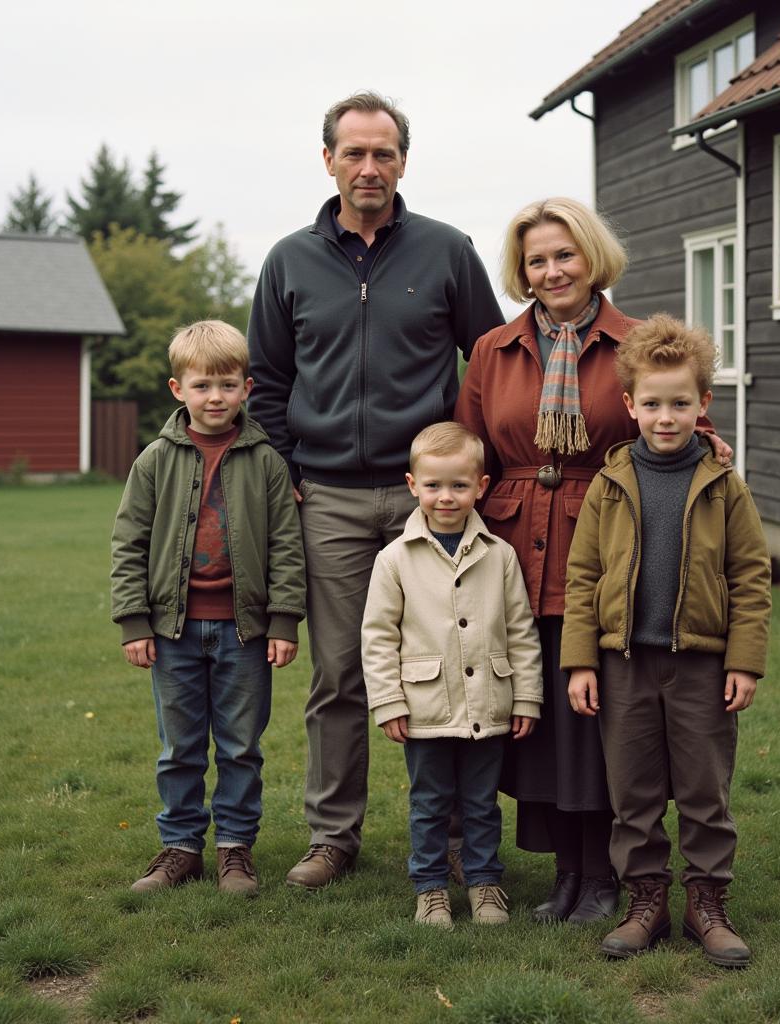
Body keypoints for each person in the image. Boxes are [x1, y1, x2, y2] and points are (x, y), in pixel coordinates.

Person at [247, 92, 504, 889]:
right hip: (326, 499)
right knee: (339, 675)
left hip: (432, 503)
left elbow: (493, 364)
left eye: (383, 153)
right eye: (353, 153)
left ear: (402, 160)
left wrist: (462, 470)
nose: (369, 167)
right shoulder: (290, 260)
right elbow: (265, 381)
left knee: (455, 658)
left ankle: (462, 838)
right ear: (327, 159)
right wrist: (289, 470)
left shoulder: (446, 252)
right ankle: (334, 837)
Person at [455, 198, 730, 924]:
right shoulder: (493, 349)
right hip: (515, 551)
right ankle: (565, 874)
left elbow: (682, 425)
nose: (552, 271)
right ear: (522, 271)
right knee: (542, 718)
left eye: (564, 255)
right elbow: (470, 445)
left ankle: (609, 873)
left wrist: (714, 444)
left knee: (601, 715)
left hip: (612, 546)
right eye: (537, 260)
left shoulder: (636, 339)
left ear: (592, 257)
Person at [561, 314, 770, 966]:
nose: (666, 417)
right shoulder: (610, 484)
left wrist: (745, 662)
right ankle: (645, 900)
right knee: (634, 792)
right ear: (629, 405)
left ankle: (707, 903)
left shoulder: (723, 486)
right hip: (624, 664)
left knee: (706, 792)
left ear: (703, 403)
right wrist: (580, 662)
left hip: (703, 666)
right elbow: (582, 576)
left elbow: (751, 577)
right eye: (652, 404)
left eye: (680, 403)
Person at [111, 320, 305, 897]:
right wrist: (133, 621)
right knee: (180, 747)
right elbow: (128, 541)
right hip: (173, 630)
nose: (214, 397)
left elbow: (287, 546)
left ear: (247, 388)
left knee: (242, 745)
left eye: (226, 384)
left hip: (245, 632)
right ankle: (180, 847)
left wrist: (284, 619)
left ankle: (235, 850)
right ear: (178, 390)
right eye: (202, 386)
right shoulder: (154, 460)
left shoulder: (267, 460)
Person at [360, 422, 542, 928]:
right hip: (425, 708)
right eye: (434, 485)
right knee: (429, 803)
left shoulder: (499, 555)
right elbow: (378, 637)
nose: (446, 497)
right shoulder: (393, 559)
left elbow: (521, 630)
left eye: (459, 485)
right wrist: (389, 702)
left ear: (481, 486)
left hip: (488, 703)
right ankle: (431, 888)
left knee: (482, 803)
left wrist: (526, 697)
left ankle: (485, 884)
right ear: (413, 484)